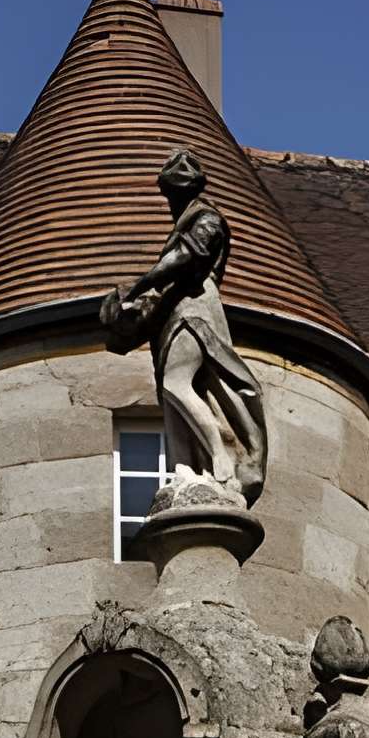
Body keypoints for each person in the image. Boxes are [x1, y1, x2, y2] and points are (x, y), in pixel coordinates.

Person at [101, 149, 268, 506]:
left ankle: (222, 455)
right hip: (173, 313)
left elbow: (187, 257)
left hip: (194, 307)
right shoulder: (185, 223)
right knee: (172, 396)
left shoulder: (207, 218)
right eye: (170, 192)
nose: (172, 199)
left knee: (176, 383)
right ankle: (186, 469)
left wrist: (141, 285)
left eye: (176, 191)